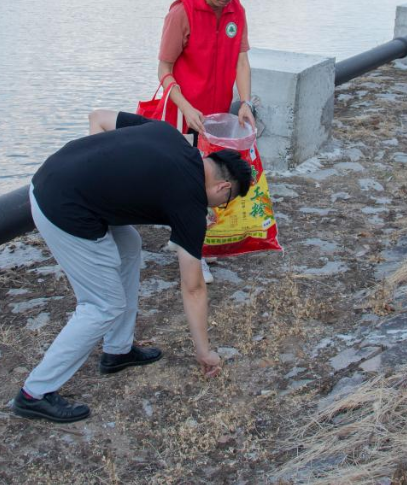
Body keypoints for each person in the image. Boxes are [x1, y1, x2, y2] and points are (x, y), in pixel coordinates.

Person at [12, 110, 251, 423]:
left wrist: (97, 179)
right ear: (223, 188)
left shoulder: (170, 135)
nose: (221, 208)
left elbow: (98, 118)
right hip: (61, 207)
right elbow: (193, 287)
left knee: (129, 245)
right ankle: (34, 393)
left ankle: (118, 351)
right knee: (102, 306)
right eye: (227, 201)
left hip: (54, 175)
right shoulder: (190, 200)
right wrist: (204, 351)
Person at [157, 0, 255, 283]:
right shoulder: (181, 12)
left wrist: (245, 102)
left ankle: (181, 241)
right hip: (184, 113)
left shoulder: (236, 10)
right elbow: (164, 69)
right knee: (194, 183)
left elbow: (242, 59)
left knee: (208, 182)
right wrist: (185, 106)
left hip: (216, 117)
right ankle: (194, 254)